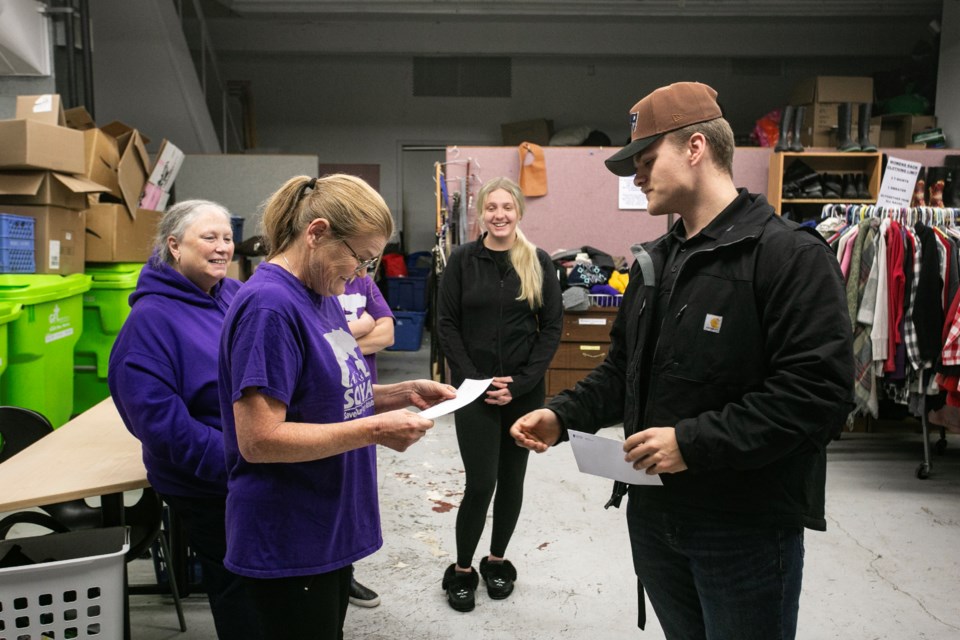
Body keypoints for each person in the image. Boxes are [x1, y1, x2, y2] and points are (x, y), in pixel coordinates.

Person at [510, 82, 855, 639]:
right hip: (654, 518)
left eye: (646, 160)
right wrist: (562, 414)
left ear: (695, 147)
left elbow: (818, 395)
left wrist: (690, 443)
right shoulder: (657, 262)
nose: (637, 176)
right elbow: (624, 368)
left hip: (744, 530)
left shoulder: (789, 256)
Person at [218, 174, 457, 639]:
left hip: (326, 523)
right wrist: (375, 430)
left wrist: (398, 392)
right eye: (360, 258)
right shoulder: (270, 308)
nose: (363, 276)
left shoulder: (322, 294)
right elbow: (260, 439)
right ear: (317, 233)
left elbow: (324, 399)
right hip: (288, 536)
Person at [108, 199, 262, 639]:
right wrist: (238, 461)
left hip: (252, 464)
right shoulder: (150, 321)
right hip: (210, 481)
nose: (222, 248)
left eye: (228, 238)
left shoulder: (233, 294)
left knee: (264, 578)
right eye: (208, 238)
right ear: (174, 246)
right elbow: (161, 426)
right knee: (239, 584)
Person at [436, 176, 563, 612]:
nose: (499, 215)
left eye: (507, 207)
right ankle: (463, 570)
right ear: (480, 214)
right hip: (473, 392)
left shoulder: (538, 262)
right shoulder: (462, 260)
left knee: (512, 480)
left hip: (524, 395)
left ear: (519, 212)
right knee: (481, 482)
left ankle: (496, 560)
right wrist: (475, 380)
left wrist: (523, 383)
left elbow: (551, 329)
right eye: (491, 207)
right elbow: (447, 324)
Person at [338, 274, 395, 608]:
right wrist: (362, 326)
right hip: (326, 402)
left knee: (356, 493)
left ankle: (346, 575)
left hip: (362, 403)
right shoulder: (310, 284)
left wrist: (335, 342)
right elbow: (311, 340)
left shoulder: (363, 282)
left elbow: (386, 333)